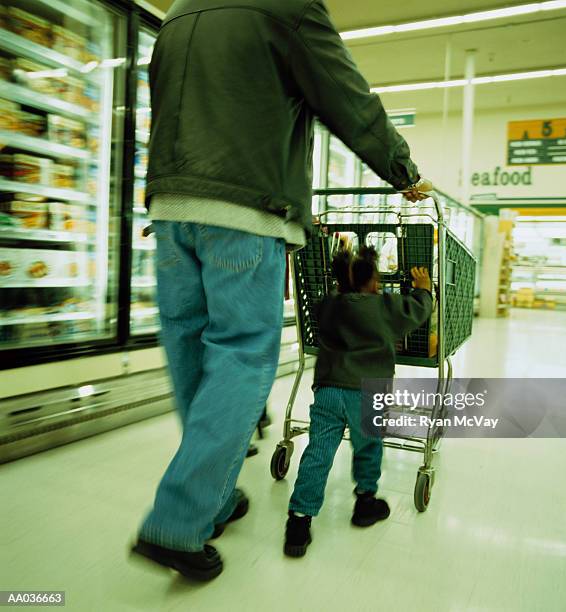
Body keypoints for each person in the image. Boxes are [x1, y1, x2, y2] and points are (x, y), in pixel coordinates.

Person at [132, 0, 427, 582]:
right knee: (241, 357)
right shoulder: (289, 8)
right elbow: (349, 100)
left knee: (193, 359)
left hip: (170, 207)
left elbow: (164, 105)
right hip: (247, 209)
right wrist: (404, 170)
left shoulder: (178, 13)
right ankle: (177, 520)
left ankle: (212, 499)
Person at [284, 247, 433, 558]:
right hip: (367, 391)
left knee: (319, 451)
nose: (378, 285)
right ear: (370, 284)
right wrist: (424, 292)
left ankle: (299, 520)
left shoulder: (328, 305)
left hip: (328, 389)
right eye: (376, 280)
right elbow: (415, 313)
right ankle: (366, 502)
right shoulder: (383, 307)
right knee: (368, 445)